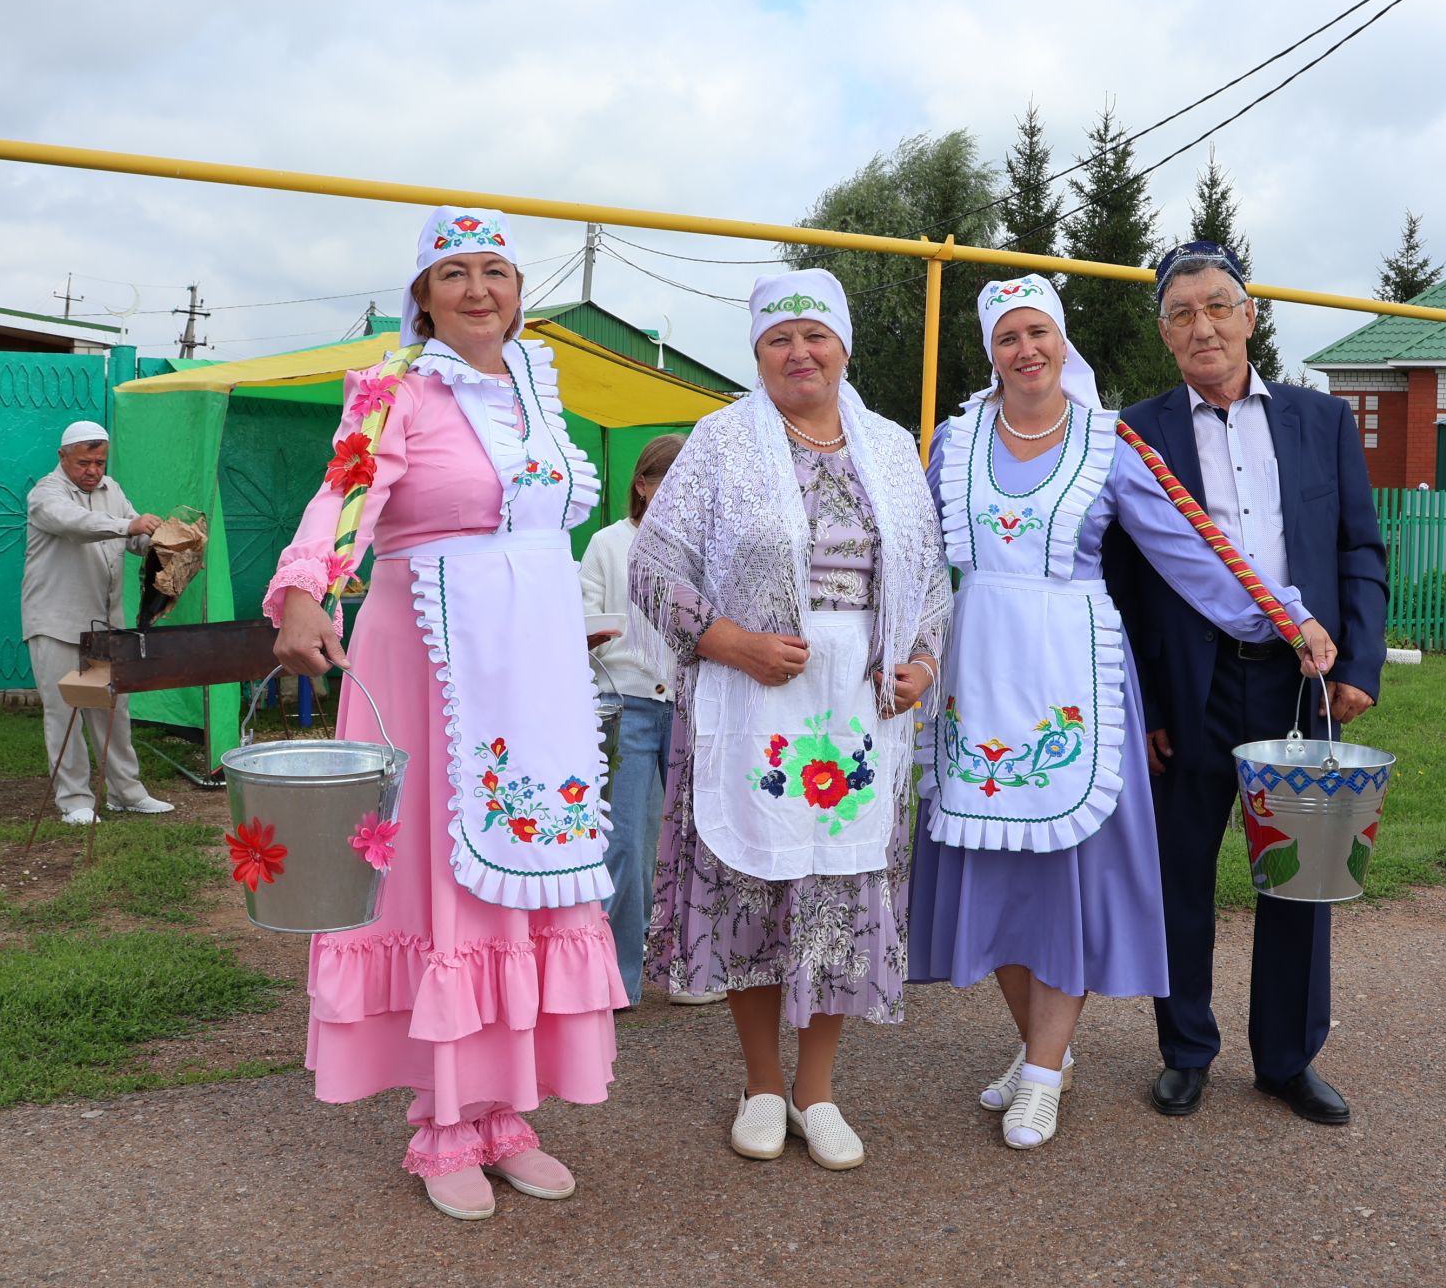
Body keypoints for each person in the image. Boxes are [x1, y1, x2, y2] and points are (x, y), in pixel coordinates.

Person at [909, 274, 1334, 1151]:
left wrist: (1282, 614)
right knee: (992, 867)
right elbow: (912, 556)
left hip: (1073, 673)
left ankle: (1040, 1075)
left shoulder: (1112, 444)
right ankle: (1042, 1052)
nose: (1026, 350)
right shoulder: (953, 443)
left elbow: (1192, 555)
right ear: (990, 353)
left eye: (1039, 332)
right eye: (1007, 338)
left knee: (1065, 878)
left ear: (1064, 342)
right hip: (978, 672)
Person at [267, 206, 625, 1221]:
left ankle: (508, 1110)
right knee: (439, 881)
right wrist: (305, 588)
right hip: (430, 656)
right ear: (423, 295)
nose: (479, 290)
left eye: (496, 273)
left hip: (535, 666)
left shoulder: (539, 390)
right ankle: (440, 1120)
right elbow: (343, 496)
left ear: (519, 291)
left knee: (524, 877)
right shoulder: (394, 390)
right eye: (455, 273)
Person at [629, 268, 948, 1171]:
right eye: (779, 339)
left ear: (844, 346)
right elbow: (654, 569)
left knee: (841, 892)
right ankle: (762, 1085)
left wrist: (921, 661)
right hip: (753, 693)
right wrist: (727, 640)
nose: (799, 352)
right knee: (754, 889)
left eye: (815, 336)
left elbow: (927, 579)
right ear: (759, 353)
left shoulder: (889, 447)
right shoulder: (721, 443)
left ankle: (819, 1090)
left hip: (859, 706)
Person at [1108, 241, 1388, 1125]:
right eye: (1182, 313)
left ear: (1250, 315)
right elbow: (1121, 582)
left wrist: (1361, 665)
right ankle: (1185, 1050)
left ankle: (1286, 1059)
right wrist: (1146, 702)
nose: (1203, 327)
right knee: (1180, 875)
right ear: (1164, 333)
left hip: (1298, 687)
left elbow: (1357, 549)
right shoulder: (1135, 434)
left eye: (1218, 306)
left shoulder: (1320, 421)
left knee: (1300, 876)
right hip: (1190, 690)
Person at [578, 432, 690, 1008]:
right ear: (642, 485)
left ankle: (692, 970)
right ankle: (618, 980)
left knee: (698, 846)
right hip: (626, 707)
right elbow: (580, 622)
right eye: (666, 483)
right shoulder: (606, 544)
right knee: (624, 843)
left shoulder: (705, 546)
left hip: (692, 708)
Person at [22, 421, 173, 825]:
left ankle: (127, 792)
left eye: (99, 462)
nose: (92, 470)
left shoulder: (112, 490)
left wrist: (164, 538)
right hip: (54, 622)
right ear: (62, 457)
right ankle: (74, 801)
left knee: (111, 709)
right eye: (84, 462)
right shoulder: (45, 494)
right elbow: (77, 525)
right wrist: (129, 525)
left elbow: (134, 539)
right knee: (63, 709)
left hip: (103, 624)